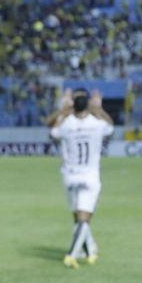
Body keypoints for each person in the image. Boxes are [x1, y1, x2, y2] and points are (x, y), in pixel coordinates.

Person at [47, 88, 115, 268]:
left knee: (78, 217)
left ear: (73, 107)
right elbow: (111, 127)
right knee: (84, 219)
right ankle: (72, 254)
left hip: (69, 176)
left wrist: (63, 109)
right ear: (88, 106)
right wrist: (98, 109)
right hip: (90, 176)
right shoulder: (96, 123)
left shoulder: (67, 124)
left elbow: (51, 130)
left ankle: (90, 250)